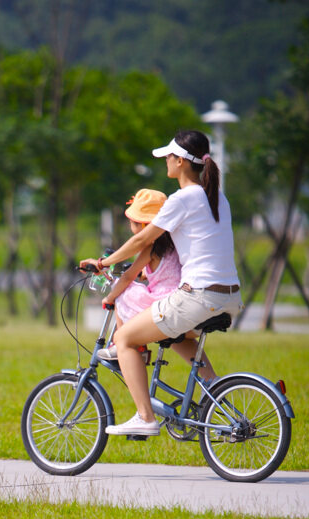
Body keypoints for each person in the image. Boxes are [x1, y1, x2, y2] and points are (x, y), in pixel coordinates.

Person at [80, 129, 244, 437]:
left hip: (198, 293)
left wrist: (103, 263)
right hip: (230, 295)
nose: (166, 161)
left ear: (181, 162)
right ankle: (217, 398)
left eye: (169, 156)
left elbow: (143, 238)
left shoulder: (184, 198)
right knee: (179, 337)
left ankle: (145, 417)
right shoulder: (217, 196)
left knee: (126, 338)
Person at [95, 188, 181, 362]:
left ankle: (119, 343)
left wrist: (110, 297)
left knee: (123, 291)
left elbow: (127, 277)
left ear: (143, 225)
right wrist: (146, 273)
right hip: (178, 299)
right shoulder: (174, 244)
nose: (130, 226)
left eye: (132, 222)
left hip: (161, 302)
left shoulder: (151, 247)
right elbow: (166, 271)